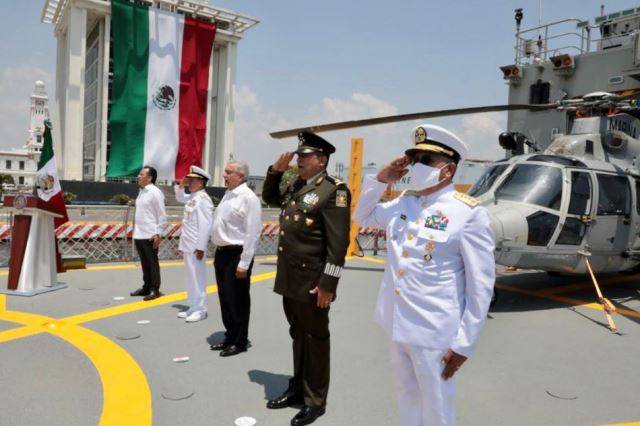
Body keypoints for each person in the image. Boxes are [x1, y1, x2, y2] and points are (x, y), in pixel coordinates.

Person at [354, 124, 495, 426]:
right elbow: (362, 216)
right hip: (397, 322)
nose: (417, 166)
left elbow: (481, 286)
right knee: (407, 397)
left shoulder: (468, 213)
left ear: (448, 170)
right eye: (415, 159)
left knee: (436, 408)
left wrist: (465, 343)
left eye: (426, 161)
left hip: (435, 331)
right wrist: (381, 180)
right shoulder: (404, 203)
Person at [262, 131, 351, 426]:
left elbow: (338, 245)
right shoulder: (298, 185)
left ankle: (315, 401)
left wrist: (328, 285)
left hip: (313, 283)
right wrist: (275, 173)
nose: (298, 160)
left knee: (315, 339)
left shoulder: (334, 190)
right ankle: (298, 389)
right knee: (298, 335)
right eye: (298, 156)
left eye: (305, 156)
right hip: (291, 279)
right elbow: (270, 198)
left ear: (321, 160)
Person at [209, 160, 262, 357]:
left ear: (241, 176)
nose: (225, 175)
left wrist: (244, 263)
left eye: (228, 172)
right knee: (225, 298)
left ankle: (240, 341)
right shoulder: (228, 195)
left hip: (237, 255)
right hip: (222, 253)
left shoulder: (248, 198)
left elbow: (252, 232)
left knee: (237, 299)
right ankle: (230, 335)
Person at [174, 166, 214, 323]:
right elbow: (179, 198)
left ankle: (201, 309)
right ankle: (192, 306)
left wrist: (201, 247)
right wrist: (181, 185)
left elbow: (206, 225)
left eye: (192, 180)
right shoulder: (193, 197)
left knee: (198, 278)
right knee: (190, 277)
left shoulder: (203, 200)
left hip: (196, 246)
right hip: (188, 243)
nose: (189, 183)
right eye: (189, 180)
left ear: (201, 182)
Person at [130, 166, 166, 301]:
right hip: (139, 233)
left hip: (150, 234)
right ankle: (146, 287)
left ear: (150, 178)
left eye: (142, 174)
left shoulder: (155, 192)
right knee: (144, 263)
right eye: (139, 174)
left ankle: (154, 289)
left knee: (152, 263)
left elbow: (161, 214)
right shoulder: (142, 191)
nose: (138, 176)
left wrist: (159, 233)